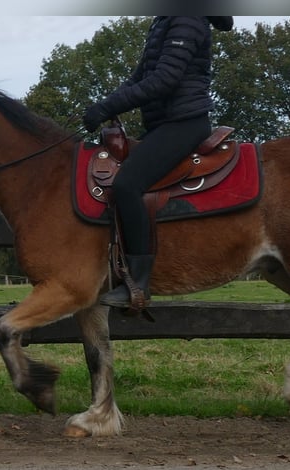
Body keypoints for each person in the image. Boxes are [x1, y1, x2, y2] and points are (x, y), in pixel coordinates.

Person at [82, 16, 234, 309]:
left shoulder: (186, 18)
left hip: (184, 123)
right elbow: (140, 77)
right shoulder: (164, 19)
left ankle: (138, 285)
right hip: (164, 124)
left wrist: (108, 107)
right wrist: (101, 105)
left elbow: (165, 79)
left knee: (127, 184)